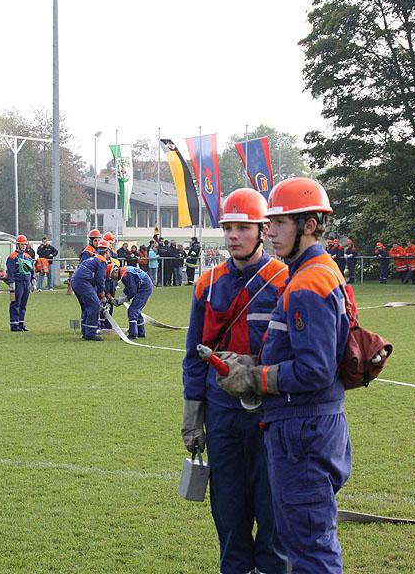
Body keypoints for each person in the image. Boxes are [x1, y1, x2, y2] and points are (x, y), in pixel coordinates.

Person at [217, 177, 374, 573]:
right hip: (310, 424)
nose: (269, 231)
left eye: (280, 222)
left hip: (303, 429)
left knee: (309, 548)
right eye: (269, 223)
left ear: (309, 224)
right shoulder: (317, 271)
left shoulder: (307, 282)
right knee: (303, 539)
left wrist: (257, 378)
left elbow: (316, 369)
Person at [182, 188, 290, 574]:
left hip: (270, 413)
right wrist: (193, 413)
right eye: (228, 227)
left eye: (243, 228)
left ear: (262, 230)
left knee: (272, 508)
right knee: (228, 509)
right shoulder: (206, 284)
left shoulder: (284, 281)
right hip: (222, 414)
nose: (233, 236)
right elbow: (194, 355)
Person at [70, 240, 110, 341]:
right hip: (83, 281)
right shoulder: (102, 261)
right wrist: (102, 294)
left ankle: (85, 331)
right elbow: (100, 279)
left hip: (76, 280)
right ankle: (91, 333)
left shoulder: (93, 258)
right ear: (107, 252)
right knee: (95, 305)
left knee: (86, 307)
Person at [107, 264, 154, 339]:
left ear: (115, 271)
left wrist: (120, 300)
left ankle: (133, 334)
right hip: (145, 286)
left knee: (133, 310)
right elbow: (128, 288)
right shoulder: (124, 271)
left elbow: (132, 291)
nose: (114, 279)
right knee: (136, 310)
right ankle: (141, 332)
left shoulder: (125, 275)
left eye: (112, 277)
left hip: (144, 288)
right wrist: (121, 299)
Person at [6, 234, 35, 331]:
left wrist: (32, 281)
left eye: (25, 244)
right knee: (15, 304)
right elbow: (11, 272)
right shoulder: (12, 257)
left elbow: (32, 270)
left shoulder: (28, 257)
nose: (24, 246)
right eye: (22, 244)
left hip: (26, 283)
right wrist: (11, 284)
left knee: (24, 304)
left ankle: (21, 323)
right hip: (18, 284)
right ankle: (14, 324)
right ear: (17, 245)